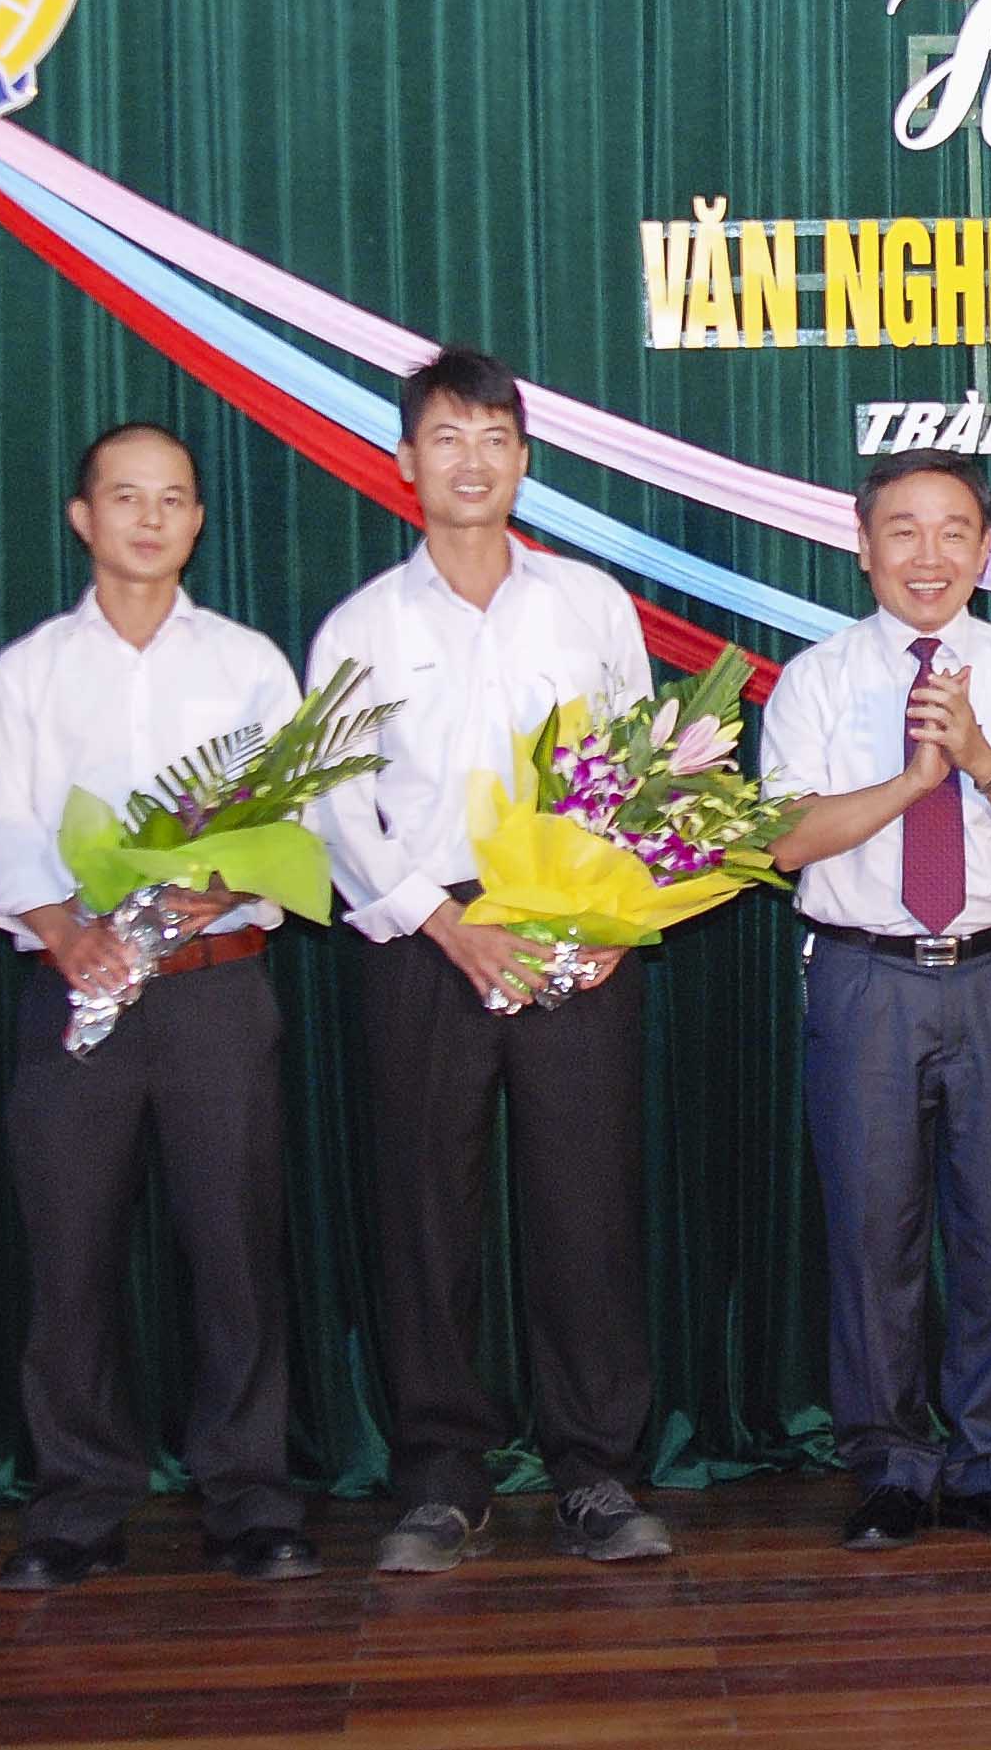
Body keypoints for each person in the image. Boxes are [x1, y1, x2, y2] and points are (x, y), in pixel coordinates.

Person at [307, 349, 671, 1573]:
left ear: (524, 459)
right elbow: (335, 807)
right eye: (447, 438)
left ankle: (596, 1468)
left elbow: (640, 770)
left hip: (572, 926)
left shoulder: (590, 605)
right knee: (426, 1208)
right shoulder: (362, 625)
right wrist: (441, 924)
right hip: (424, 939)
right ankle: (439, 1472)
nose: (473, 461)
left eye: (495, 438)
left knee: (586, 1202)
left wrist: (613, 915)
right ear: (405, 461)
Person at [0, 422, 316, 1591]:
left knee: (236, 1249)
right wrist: (71, 933)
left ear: (199, 521)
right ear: (84, 518)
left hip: (217, 990)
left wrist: (215, 887)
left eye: (172, 499)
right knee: (70, 1253)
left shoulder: (249, 665)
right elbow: (2, 832)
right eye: (126, 497)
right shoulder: (26, 675)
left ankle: (251, 1496)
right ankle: (77, 1501)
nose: (150, 518)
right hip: (78, 994)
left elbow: (291, 819)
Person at [764, 448, 991, 1553]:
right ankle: (893, 1465)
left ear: (986, 550)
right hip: (865, 974)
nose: (928, 554)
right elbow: (783, 840)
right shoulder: (815, 679)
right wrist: (911, 783)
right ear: (863, 546)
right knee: (874, 1231)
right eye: (902, 530)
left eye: (954, 531)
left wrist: (981, 759)